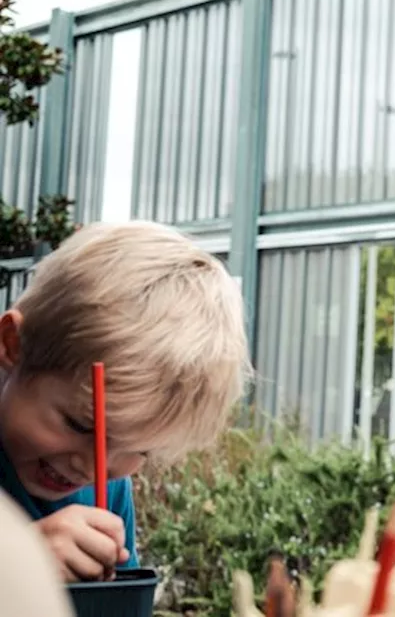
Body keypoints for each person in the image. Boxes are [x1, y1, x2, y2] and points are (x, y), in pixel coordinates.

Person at [0, 221, 251, 582]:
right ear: (12, 345)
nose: (91, 467)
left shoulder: (109, 490)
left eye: (139, 450)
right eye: (81, 425)